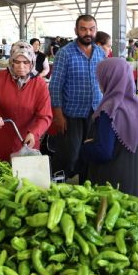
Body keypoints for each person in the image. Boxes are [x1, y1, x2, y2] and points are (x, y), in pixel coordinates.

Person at [81, 58, 138, 202]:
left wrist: (85, 147)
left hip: (112, 188)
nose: (99, 83)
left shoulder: (110, 109)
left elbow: (103, 152)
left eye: (101, 77)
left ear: (109, 78)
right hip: (137, 186)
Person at [49, 15, 106, 179]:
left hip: (94, 113)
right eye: (83, 29)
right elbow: (55, 86)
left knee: (89, 155)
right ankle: (53, 183)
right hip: (71, 114)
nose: (88, 32)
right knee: (69, 155)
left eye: (91, 29)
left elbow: (104, 81)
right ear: (76, 30)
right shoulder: (65, 53)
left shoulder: (100, 53)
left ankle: (85, 189)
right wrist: (58, 115)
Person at [0, 41, 52, 161]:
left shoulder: (40, 85)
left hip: (27, 143)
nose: (21, 66)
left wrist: (34, 133)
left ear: (32, 62)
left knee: (24, 178)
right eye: (17, 62)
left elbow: (45, 116)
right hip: (1, 141)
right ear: (11, 61)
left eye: (25, 62)